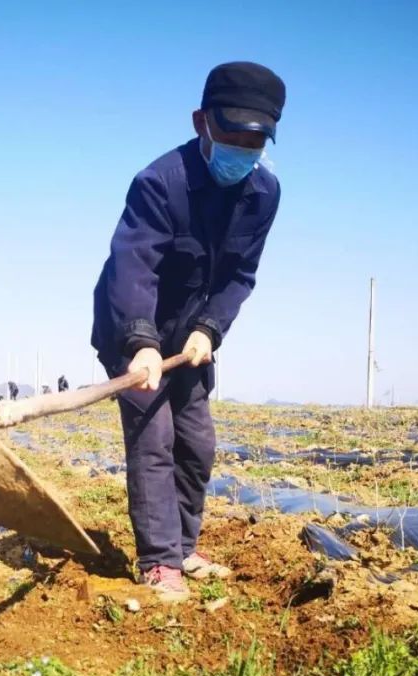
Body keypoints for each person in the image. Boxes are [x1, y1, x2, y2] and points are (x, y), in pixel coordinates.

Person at [91, 61, 285, 602]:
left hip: (192, 337)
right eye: (231, 133)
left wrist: (209, 328)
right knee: (154, 438)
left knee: (196, 443)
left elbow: (239, 274)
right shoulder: (160, 182)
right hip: (134, 325)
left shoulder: (264, 193)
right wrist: (140, 342)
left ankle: (182, 547)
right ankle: (158, 562)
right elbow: (134, 266)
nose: (242, 147)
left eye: (256, 139)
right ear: (202, 121)